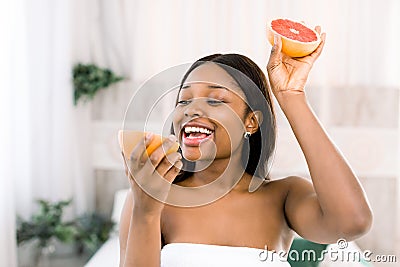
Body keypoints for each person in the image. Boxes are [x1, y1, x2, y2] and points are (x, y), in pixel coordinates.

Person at [119, 27, 373, 267]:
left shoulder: (283, 197)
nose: (191, 109)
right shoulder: (148, 199)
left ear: (251, 122)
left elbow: (353, 222)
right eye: (183, 100)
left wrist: (291, 96)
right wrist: (147, 212)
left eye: (215, 100)